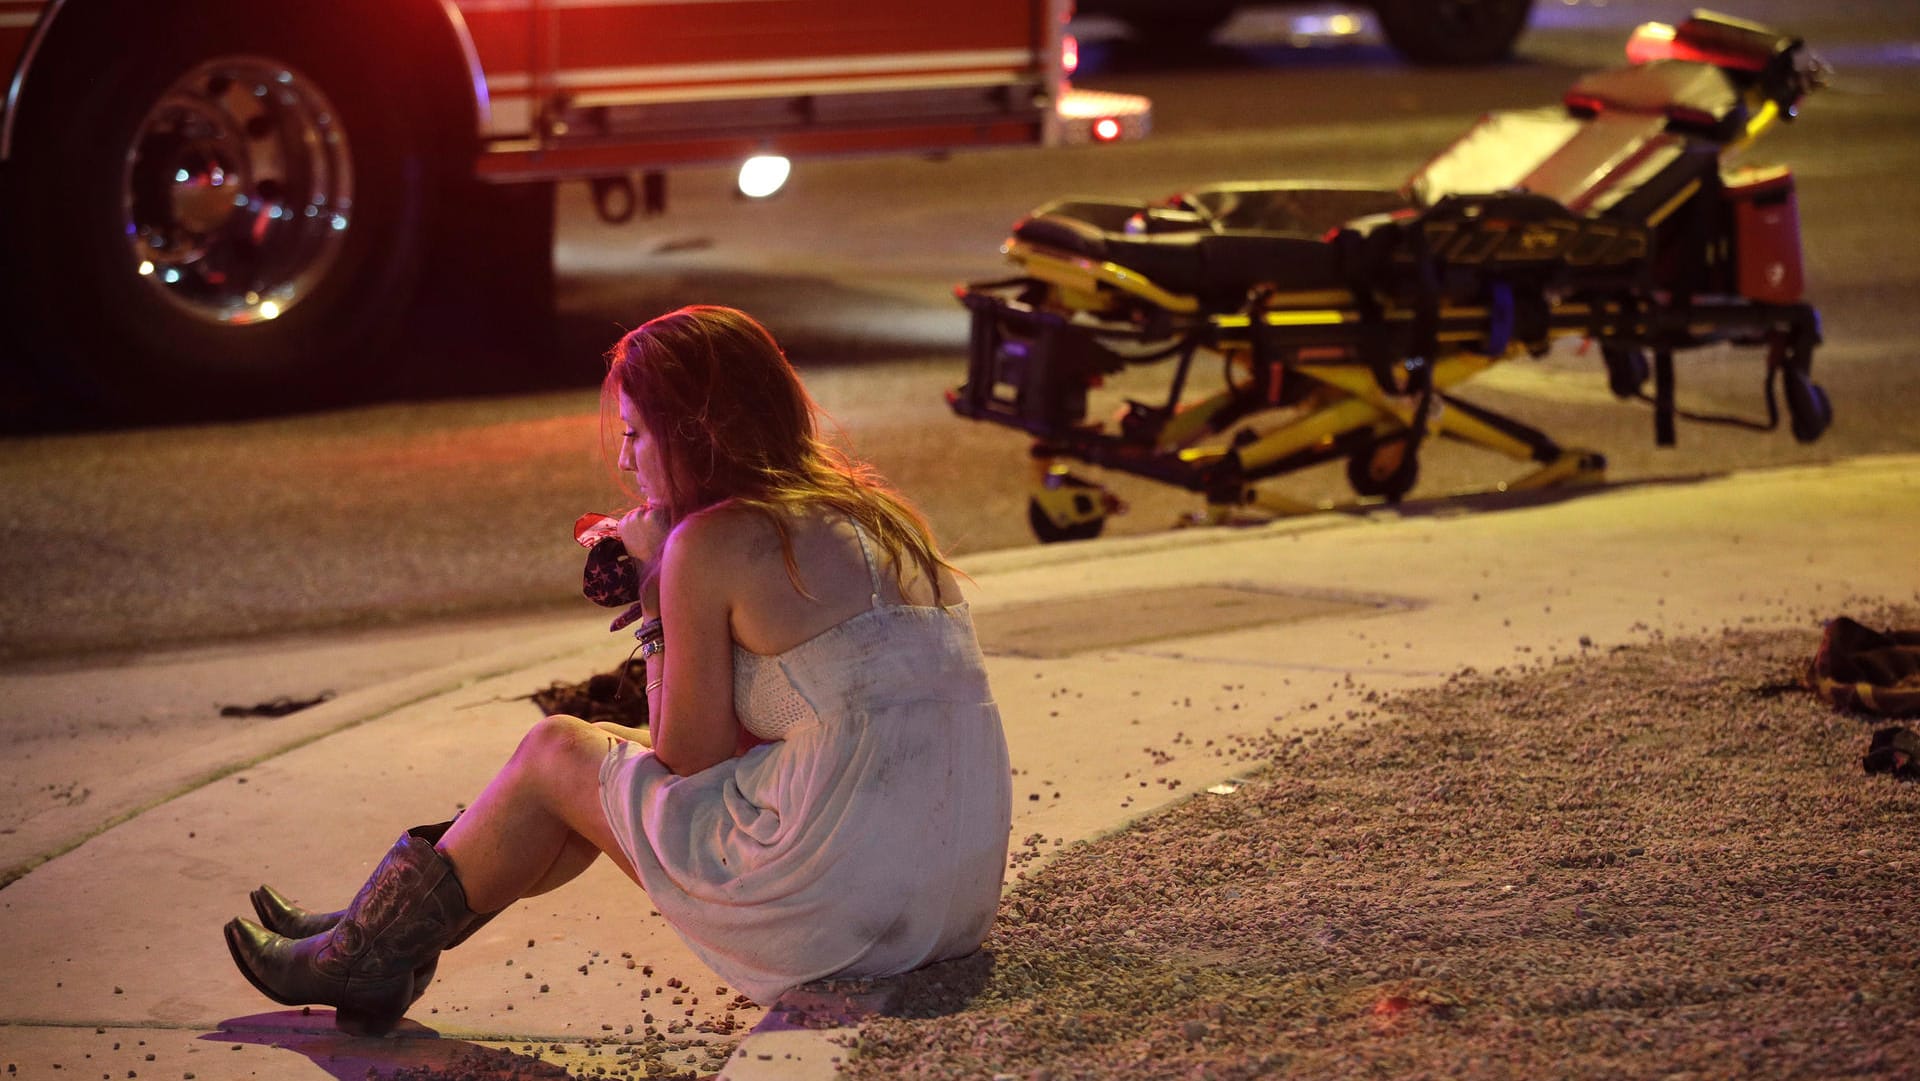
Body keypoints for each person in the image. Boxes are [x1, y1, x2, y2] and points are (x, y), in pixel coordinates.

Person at [223, 305, 1014, 1035]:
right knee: (589, 763)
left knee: (557, 752)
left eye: (636, 433)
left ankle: (365, 949)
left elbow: (686, 764)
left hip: (838, 908)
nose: (625, 458)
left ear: (697, 428)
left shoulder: (711, 544)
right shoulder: (879, 515)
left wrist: (656, 593)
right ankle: (367, 941)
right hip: (951, 898)